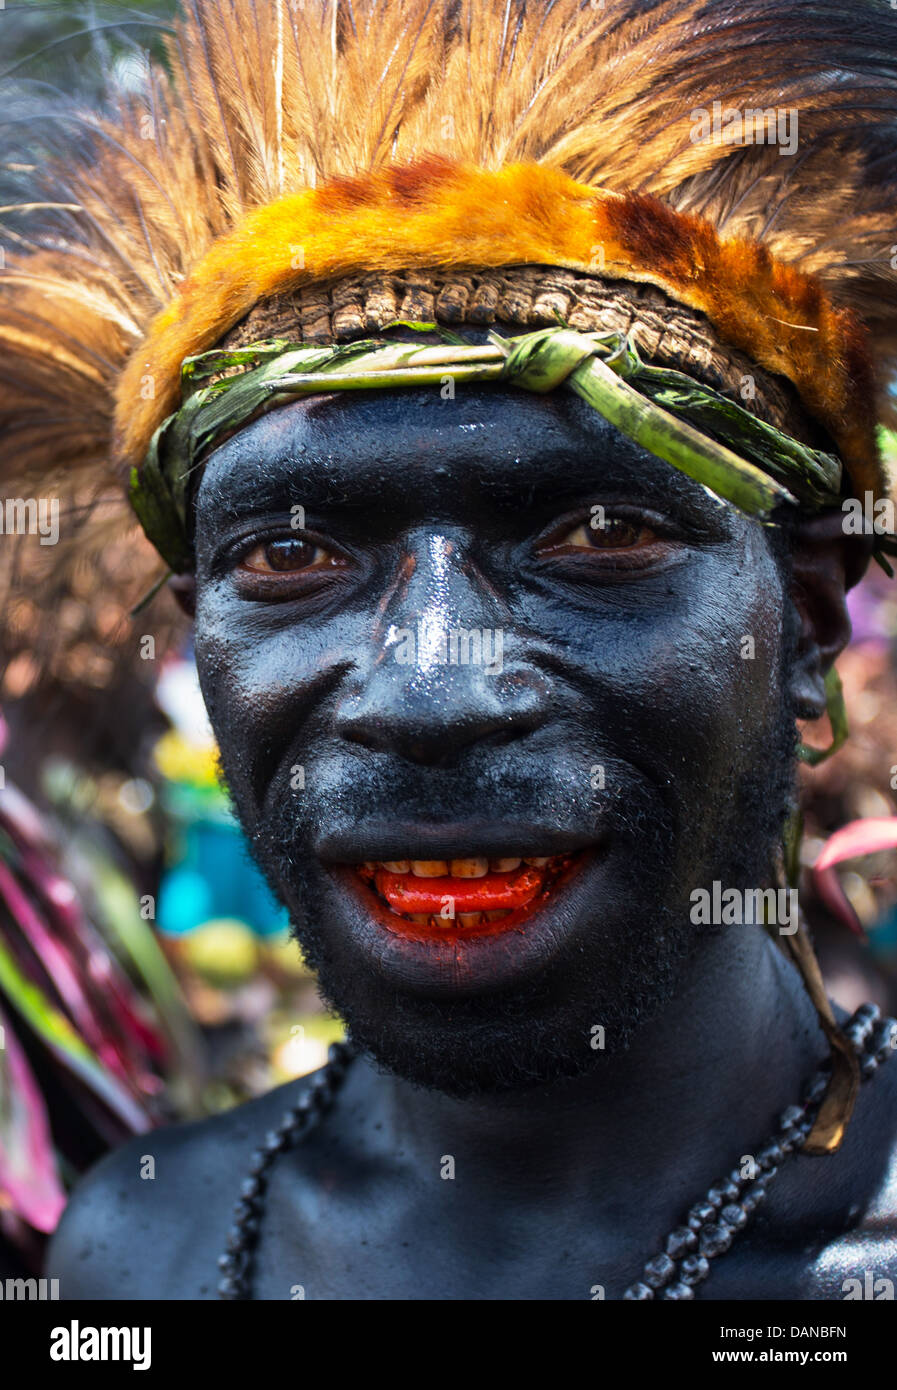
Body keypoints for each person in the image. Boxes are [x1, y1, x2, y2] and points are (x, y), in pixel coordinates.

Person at [3, 0, 897, 1300]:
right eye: (291, 556)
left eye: (598, 530)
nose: (427, 693)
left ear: (805, 608)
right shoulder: (146, 1252)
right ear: (199, 627)